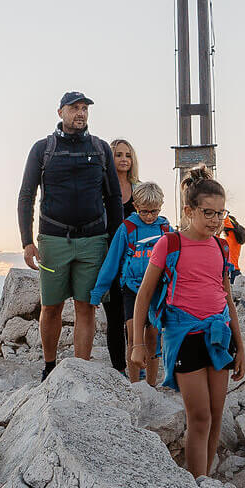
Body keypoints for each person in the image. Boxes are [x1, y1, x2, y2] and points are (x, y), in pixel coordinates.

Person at [130, 167, 245, 478]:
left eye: (220, 213)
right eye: (207, 212)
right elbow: (144, 296)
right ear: (188, 210)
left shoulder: (221, 247)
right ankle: (197, 485)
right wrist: (139, 344)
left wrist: (242, 349)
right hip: (185, 338)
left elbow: (227, 298)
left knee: (217, 416)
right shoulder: (169, 244)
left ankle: (204, 481)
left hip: (219, 336)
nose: (214, 220)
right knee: (200, 418)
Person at [17, 91, 124, 378]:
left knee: (86, 307)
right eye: (74, 108)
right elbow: (27, 195)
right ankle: (49, 367)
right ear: (60, 112)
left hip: (93, 241)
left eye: (84, 109)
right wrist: (27, 242)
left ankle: (80, 371)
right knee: (51, 307)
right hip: (52, 241)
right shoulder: (43, 149)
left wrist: (116, 242)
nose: (81, 113)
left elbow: (113, 198)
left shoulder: (100, 149)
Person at [91, 181, 170, 385]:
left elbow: (174, 261)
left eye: (154, 211)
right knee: (133, 336)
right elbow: (112, 260)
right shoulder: (128, 228)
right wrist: (98, 291)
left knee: (153, 336)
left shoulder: (164, 228)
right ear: (135, 206)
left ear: (160, 207)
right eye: (144, 211)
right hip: (131, 288)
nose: (149, 216)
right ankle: (134, 386)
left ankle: (151, 385)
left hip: (157, 289)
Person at [103, 139, 140, 373]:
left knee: (136, 316)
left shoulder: (139, 189)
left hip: (136, 260)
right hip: (109, 257)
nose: (124, 159)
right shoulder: (101, 188)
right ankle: (118, 369)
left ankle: (139, 367)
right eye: (118, 154)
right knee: (115, 316)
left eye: (128, 154)